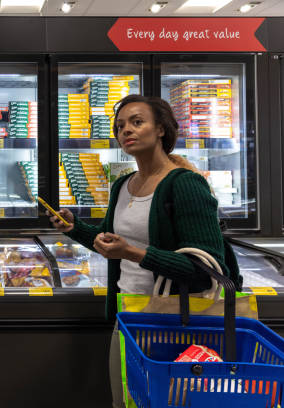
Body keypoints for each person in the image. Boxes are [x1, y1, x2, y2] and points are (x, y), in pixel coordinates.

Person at [48, 94, 240, 407]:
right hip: (128, 315)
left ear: (161, 129)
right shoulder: (122, 185)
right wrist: (74, 227)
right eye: (120, 125)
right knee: (124, 401)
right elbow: (109, 241)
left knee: (171, 402)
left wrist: (134, 253)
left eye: (137, 122)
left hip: (176, 320)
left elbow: (206, 270)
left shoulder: (186, 185)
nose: (126, 130)